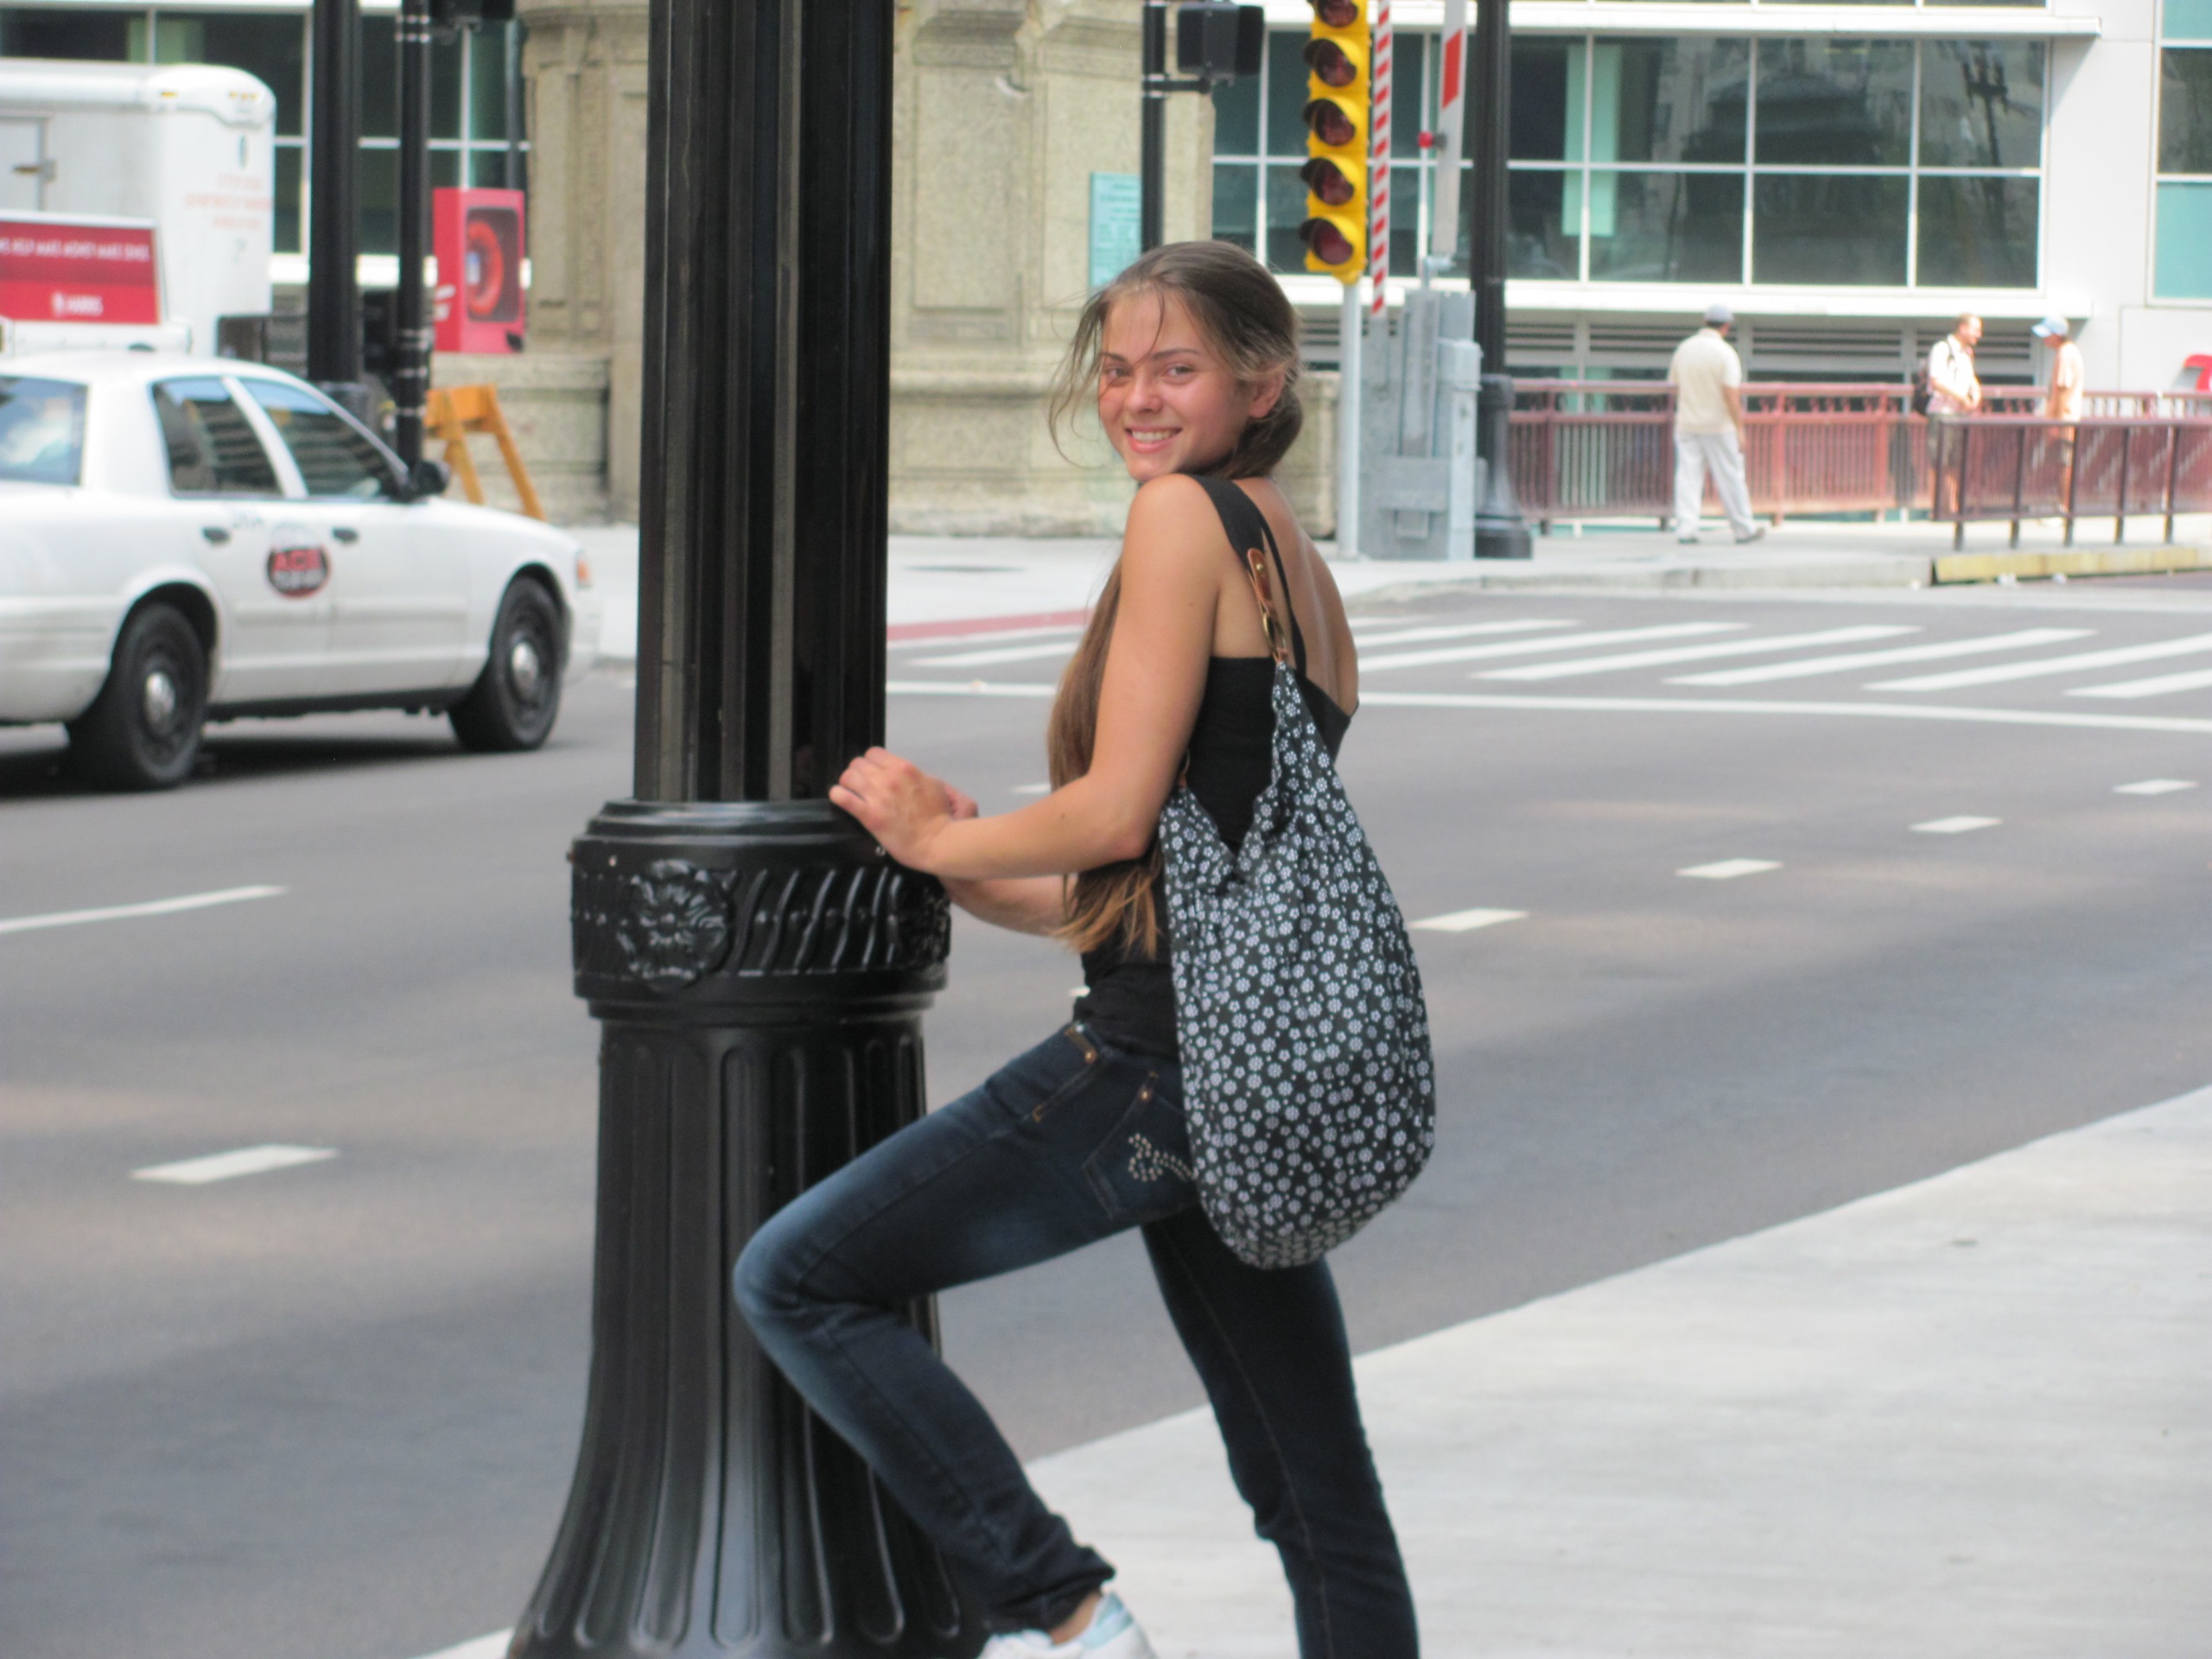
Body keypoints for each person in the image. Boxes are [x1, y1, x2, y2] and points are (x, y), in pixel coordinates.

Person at [734, 241, 1416, 1659]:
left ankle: (1064, 1609)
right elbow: (1185, 878)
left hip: (1165, 1060)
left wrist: (935, 838)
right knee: (1315, 1488)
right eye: (1115, 370)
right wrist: (982, 879)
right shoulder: (1297, 565)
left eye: (1176, 368)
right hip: (1249, 1067)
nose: (1136, 400)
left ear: (1262, 383)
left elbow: (1114, 814)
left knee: (798, 1278)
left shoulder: (1179, 519)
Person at [1667, 302, 1763, 544]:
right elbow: (1731, 394)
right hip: (1719, 426)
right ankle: (1743, 528)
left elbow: (1673, 385)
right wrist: (1739, 429)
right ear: (1726, 326)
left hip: (1687, 422)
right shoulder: (1725, 353)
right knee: (1731, 476)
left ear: (1705, 322)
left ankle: (1686, 528)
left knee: (1688, 477)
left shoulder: (1685, 349)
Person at [1925, 314, 1983, 514]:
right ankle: (1936, 507)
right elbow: (1936, 381)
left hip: (1959, 415)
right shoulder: (1942, 349)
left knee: (1954, 463)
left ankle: (1952, 507)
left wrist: (1976, 393)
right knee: (1938, 462)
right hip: (1942, 414)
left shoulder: (1967, 352)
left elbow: (1970, 378)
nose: (1979, 334)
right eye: (1976, 329)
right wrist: (1961, 397)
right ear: (1963, 328)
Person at [2034, 315, 2085, 512]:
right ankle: (2062, 505)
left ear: (2057, 335)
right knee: (2062, 463)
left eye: (2048, 334)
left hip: (2064, 419)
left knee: (2064, 464)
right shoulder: (2069, 351)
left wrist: (2055, 423)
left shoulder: (2065, 353)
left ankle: (2064, 507)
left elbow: (2062, 388)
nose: (2044, 339)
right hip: (2066, 417)